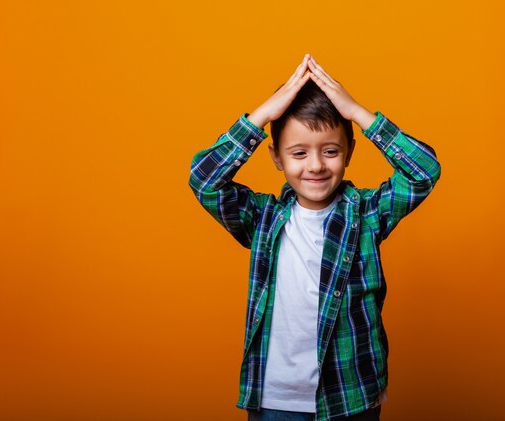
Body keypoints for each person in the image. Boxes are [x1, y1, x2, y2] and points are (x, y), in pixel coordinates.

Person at [188, 54, 441, 421]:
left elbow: (424, 171)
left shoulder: (366, 215)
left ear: (349, 151)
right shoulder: (263, 219)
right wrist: (261, 116)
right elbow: (204, 179)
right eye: (299, 152)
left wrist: (357, 113)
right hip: (275, 400)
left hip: (349, 395)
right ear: (277, 157)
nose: (316, 165)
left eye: (331, 151)